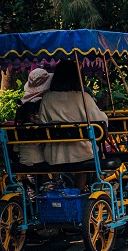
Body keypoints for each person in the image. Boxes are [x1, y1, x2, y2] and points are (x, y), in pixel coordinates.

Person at [39, 57, 108, 188]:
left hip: (54, 156)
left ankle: (58, 184)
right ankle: (80, 189)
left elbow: (42, 124)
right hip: (81, 155)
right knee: (88, 151)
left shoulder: (47, 98)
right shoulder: (83, 97)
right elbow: (101, 122)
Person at [15, 68, 52, 167]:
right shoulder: (42, 102)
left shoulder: (24, 106)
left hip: (23, 159)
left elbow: (16, 149)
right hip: (42, 156)